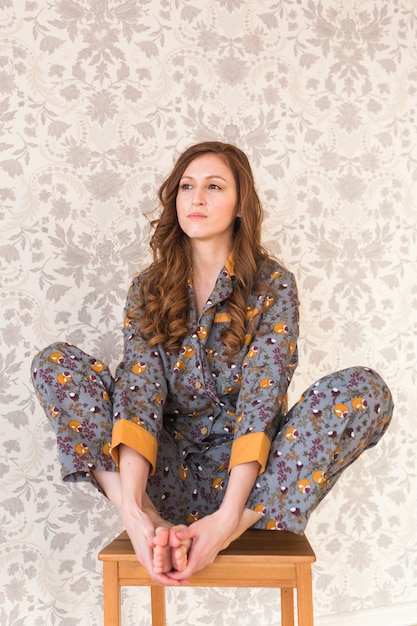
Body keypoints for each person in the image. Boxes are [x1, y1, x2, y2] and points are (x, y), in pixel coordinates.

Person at [31, 141, 393, 586]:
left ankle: (223, 530)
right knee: (56, 364)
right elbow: (139, 394)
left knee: (364, 390)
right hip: (161, 477)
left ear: (241, 205)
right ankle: (145, 524)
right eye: (187, 186)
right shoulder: (148, 289)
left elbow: (264, 397)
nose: (196, 198)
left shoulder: (273, 284)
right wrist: (135, 508)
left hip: (251, 486)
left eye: (214, 186)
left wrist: (225, 520)